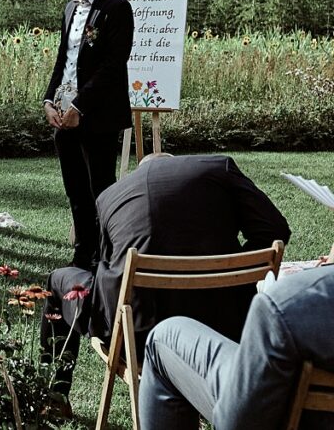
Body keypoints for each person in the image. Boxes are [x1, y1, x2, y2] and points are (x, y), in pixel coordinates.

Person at [39, 154, 291, 399]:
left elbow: (106, 266)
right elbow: (275, 230)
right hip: (225, 330)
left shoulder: (109, 196)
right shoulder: (218, 168)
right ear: (176, 163)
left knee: (57, 280)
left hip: (137, 335)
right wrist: (233, 265)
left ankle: (52, 398)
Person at [139, 264, 334, 430]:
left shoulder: (285, 305)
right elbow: (272, 228)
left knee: (162, 339)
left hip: (269, 406)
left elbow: (237, 422)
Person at [43, 0, 135, 270]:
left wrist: (79, 107)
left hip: (97, 116)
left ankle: (109, 256)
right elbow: (63, 61)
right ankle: (83, 254)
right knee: (76, 192)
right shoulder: (70, 10)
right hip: (63, 116)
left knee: (101, 190)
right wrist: (49, 100)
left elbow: (113, 65)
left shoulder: (116, 8)